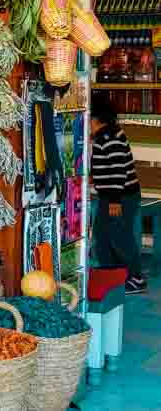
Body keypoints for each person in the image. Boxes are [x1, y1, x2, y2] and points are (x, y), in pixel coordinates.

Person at [90, 93, 146, 294]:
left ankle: (135, 277)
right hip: (114, 197)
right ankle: (113, 275)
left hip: (119, 198)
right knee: (103, 235)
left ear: (94, 118)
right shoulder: (108, 134)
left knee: (119, 237)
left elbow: (117, 170)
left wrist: (114, 200)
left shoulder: (108, 137)